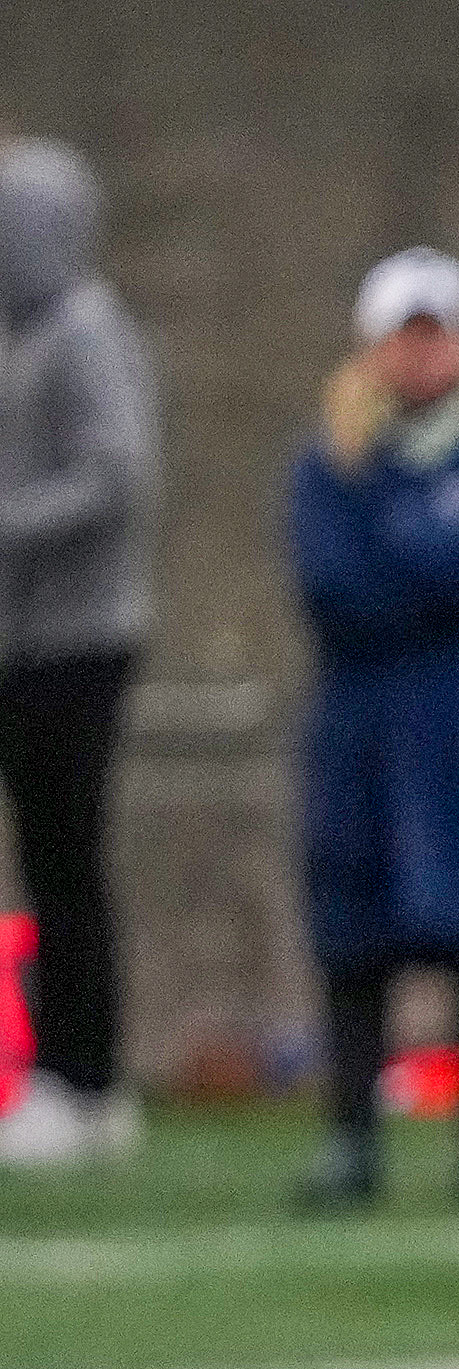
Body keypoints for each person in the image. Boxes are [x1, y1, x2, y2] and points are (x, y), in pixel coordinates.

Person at [288, 249, 459, 1209]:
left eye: (436, 333)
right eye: (402, 338)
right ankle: (351, 1144)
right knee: (355, 940)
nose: (421, 356)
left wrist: (406, 552)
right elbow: (335, 586)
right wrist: (442, 561)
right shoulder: (332, 463)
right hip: (367, 731)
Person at [0, 138, 152, 1170]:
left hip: (79, 639)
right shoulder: (18, 337)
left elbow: (117, 478)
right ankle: (59, 1068)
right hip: (24, 638)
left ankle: (84, 1074)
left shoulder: (87, 330)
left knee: (65, 860)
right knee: (42, 859)